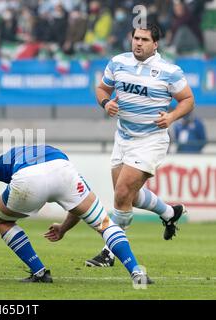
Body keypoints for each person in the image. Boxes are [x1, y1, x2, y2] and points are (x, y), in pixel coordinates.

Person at [0, 145, 153, 285]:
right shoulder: (51, 152)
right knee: (104, 224)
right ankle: (136, 271)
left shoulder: (4, 159)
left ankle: (39, 271)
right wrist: (63, 228)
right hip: (65, 172)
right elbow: (76, 207)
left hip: (28, 179)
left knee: (1, 219)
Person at [87, 22, 195, 267]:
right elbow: (102, 88)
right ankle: (170, 212)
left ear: (155, 45)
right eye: (136, 38)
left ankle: (109, 252)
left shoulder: (169, 71)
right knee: (129, 199)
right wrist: (106, 104)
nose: (138, 43)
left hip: (150, 140)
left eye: (145, 40)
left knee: (122, 193)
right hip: (123, 137)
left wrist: (171, 117)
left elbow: (188, 99)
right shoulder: (118, 63)